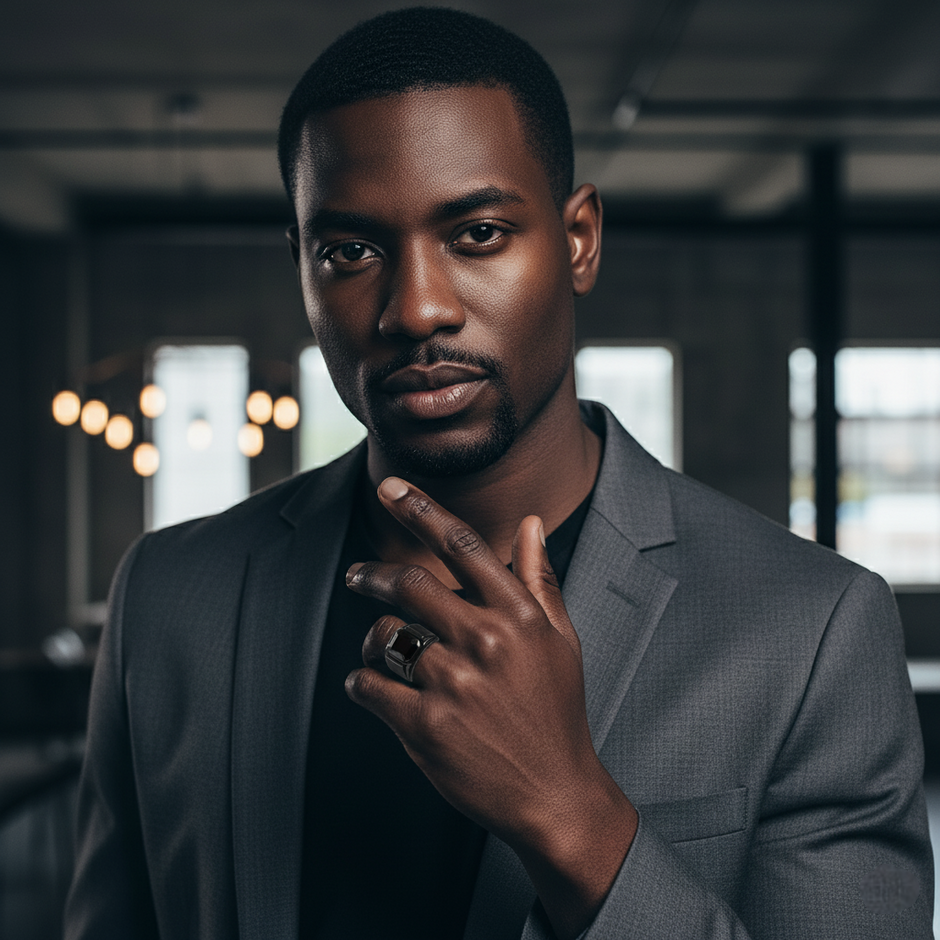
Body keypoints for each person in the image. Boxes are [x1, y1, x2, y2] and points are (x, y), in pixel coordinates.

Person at [66, 7, 933, 939]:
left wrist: (572, 817)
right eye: (350, 251)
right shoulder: (170, 595)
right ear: (303, 270)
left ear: (578, 241)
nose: (417, 308)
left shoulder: (812, 630)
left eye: (476, 234)